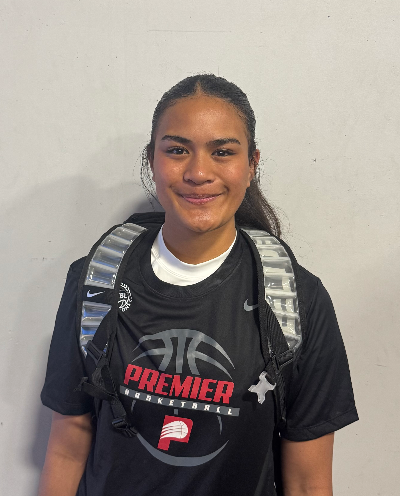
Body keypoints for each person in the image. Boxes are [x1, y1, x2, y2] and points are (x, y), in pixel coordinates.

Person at [39, 74, 358, 496]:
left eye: (222, 152)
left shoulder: (299, 299)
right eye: (177, 150)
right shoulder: (96, 281)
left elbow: (306, 482)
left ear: (252, 164)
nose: (198, 173)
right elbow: (67, 446)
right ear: (152, 160)